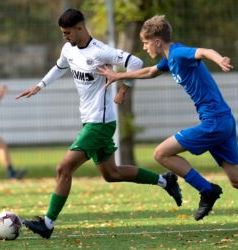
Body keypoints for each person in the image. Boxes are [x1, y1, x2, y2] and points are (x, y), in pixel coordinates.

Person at [97, 15, 238, 232]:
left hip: (214, 121)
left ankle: (206, 190)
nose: (144, 46)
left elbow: (203, 52)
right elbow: (150, 71)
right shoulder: (168, 59)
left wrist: (219, 59)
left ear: (157, 41)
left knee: (161, 154)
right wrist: (118, 76)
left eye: (146, 42)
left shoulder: (178, 53)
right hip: (222, 120)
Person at [15, 9, 182, 239]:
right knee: (111, 174)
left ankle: (48, 223)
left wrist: (123, 88)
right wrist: (40, 86)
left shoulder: (101, 51)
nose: (65, 36)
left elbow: (135, 62)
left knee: (63, 168)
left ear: (80, 28)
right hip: (90, 122)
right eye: (62, 33)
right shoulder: (68, 49)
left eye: (68, 32)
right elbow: (60, 67)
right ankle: (166, 180)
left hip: (100, 124)